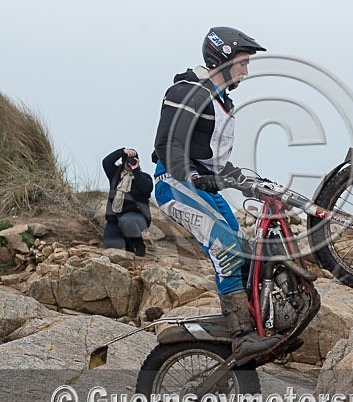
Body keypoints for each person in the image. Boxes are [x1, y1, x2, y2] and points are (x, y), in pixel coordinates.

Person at [152, 26, 281, 362]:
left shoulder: (222, 102)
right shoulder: (187, 90)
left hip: (203, 185)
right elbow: (167, 143)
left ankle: (253, 329)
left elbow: (217, 163)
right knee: (226, 248)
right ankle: (241, 336)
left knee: (247, 254)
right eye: (242, 61)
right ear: (222, 57)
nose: (246, 69)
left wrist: (250, 182)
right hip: (175, 182)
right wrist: (190, 173)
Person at [102, 147, 153, 256]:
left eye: (133, 161)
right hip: (115, 219)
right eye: (128, 161)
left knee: (127, 220)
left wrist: (136, 171)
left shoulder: (144, 177)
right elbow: (106, 162)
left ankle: (138, 243)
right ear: (123, 162)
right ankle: (128, 243)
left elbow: (146, 189)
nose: (130, 164)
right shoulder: (115, 175)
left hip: (137, 217)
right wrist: (122, 151)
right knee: (110, 246)